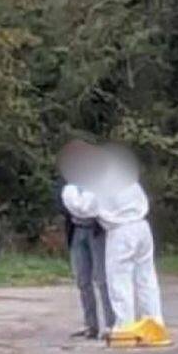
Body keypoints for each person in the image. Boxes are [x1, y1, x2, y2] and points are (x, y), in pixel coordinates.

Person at [60, 143, 163, 329]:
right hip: (142, 226)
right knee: (146, 279)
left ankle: (125, 327)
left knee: (119, 280)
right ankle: (154, 323)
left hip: (121, 231)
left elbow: (83, 208)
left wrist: (69, 192)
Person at [57, 155, 115, 338]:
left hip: (96, 230)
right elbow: (67, 206)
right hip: (77, 230)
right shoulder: (69, 186)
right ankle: (91, 325)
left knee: (102, 278)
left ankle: (112, 324)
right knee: (82, 280)